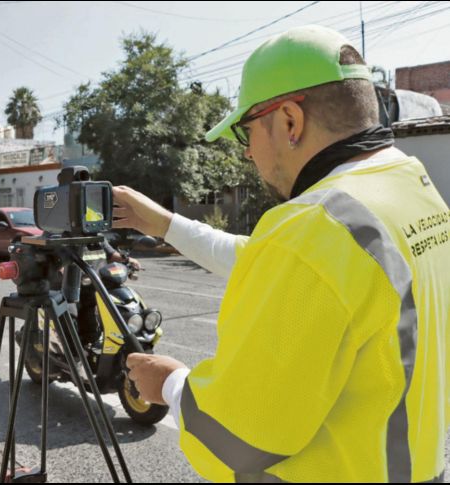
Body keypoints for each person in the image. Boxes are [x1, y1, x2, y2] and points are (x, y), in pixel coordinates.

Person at [116, 25, 450, 482]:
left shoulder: (315, 226)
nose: (248, 153)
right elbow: (286, 263)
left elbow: (238, 437)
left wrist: (170, 383)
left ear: (290, 121)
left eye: (246, 131)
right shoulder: (413, 191)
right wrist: (164, 224)